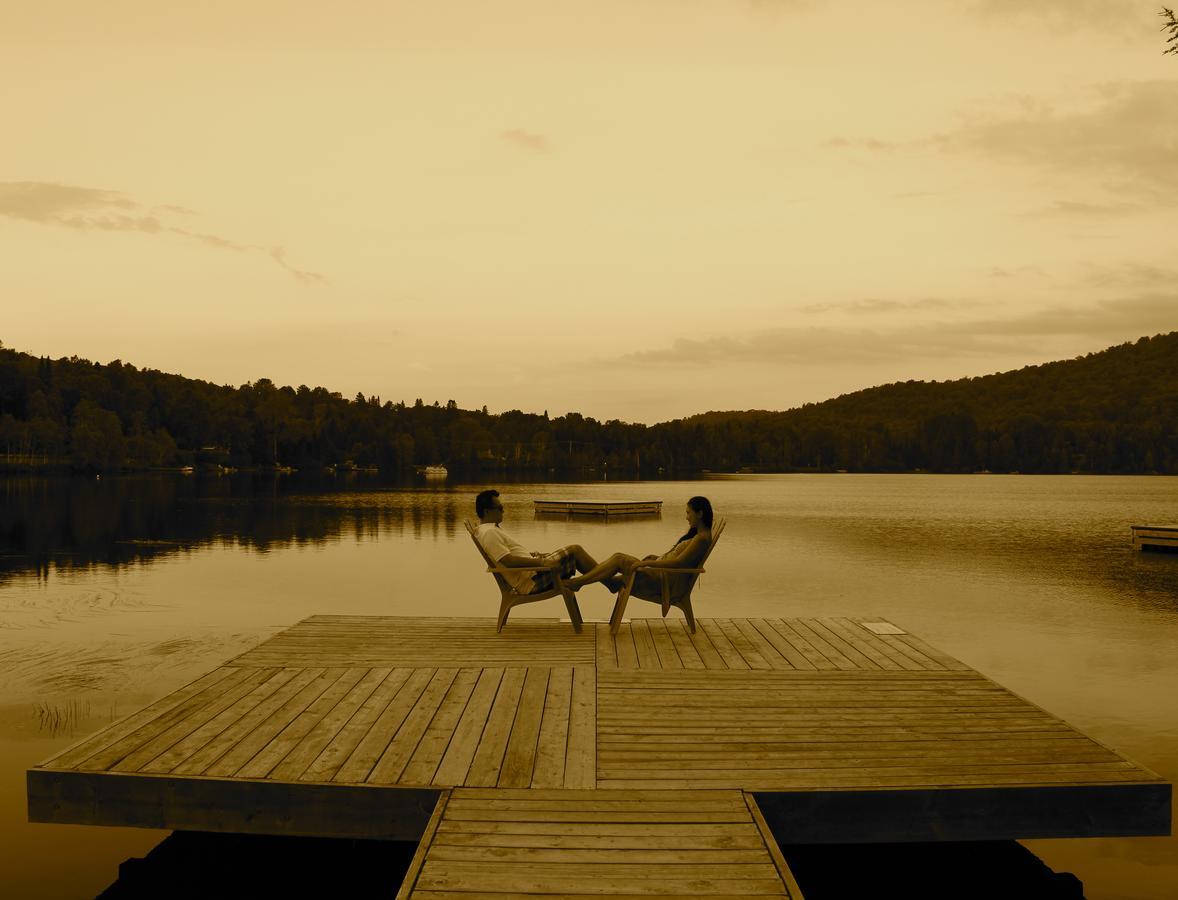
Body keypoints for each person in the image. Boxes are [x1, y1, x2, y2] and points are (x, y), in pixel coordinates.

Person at [563, 496, 714, 594]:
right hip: (657, 573)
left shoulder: (701, 539)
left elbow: (679, 562)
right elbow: (678, 559)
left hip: (661, 582)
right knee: (614, 558)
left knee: (619, 559)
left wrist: (647, 563)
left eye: (689, 513)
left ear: (700, 514)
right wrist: (655, 558)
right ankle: (595, 576)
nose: (686, 517)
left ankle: (578, 582)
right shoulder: (698, 536)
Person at [474, 489, 600, 594]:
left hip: (534, 573)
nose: (503, 511)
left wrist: (533, 556)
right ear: (487, 511)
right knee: (575, 551)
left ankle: (610, 581)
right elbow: (508, 562)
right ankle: (610, 581)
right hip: (532, 581)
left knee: (574, 552)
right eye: (500, 508)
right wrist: (541, 562)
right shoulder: (489, 532)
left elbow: (509, 557)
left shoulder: (488, 530)